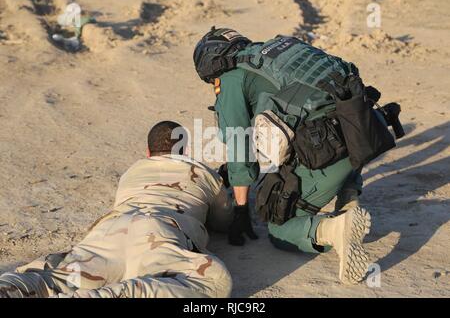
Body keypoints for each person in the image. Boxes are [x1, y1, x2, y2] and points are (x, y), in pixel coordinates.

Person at [192, 27, 395, 284]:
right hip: (365, 129)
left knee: (279, 227)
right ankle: (349, 199)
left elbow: (239, 146)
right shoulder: (278, 49)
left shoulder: (230, 78)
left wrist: (242, 210)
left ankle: (335, 229)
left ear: (211, 67)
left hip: (332, 151)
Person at [0, 121, 234, 298]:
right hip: (161, 230)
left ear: (148, 153)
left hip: (111, 228)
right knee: (213, 282)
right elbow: (224, 222)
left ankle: (8, 287)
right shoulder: (204, 174)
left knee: (56, 278)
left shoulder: (132, 172)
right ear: (185, 151)